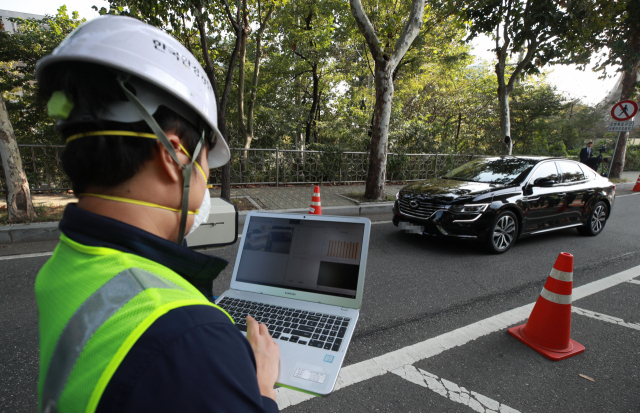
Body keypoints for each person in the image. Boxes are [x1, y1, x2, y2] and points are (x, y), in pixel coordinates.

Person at [34, 16, 279, 413]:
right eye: (205, 159)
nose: (207, 179)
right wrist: (262, 388)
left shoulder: (67, 263)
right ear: (175, 154)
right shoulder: (194, 340)